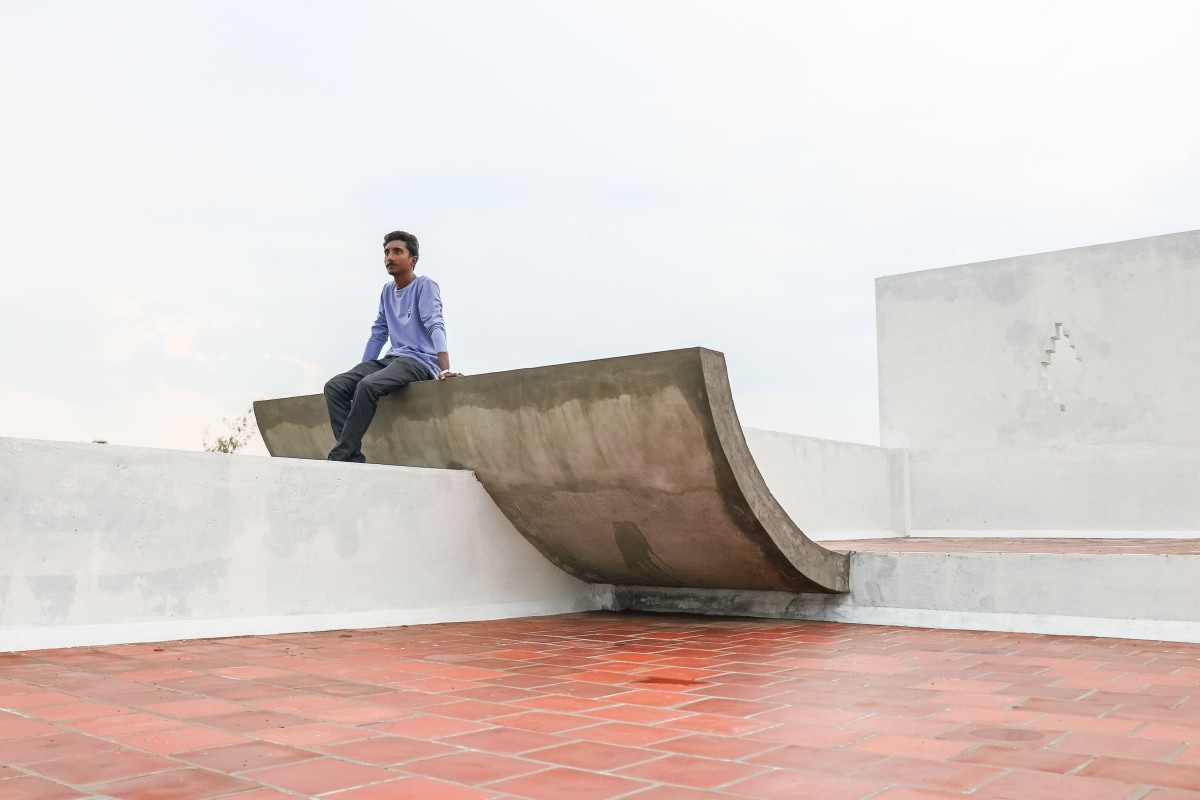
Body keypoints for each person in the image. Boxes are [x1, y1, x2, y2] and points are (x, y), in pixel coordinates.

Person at [323, 230, 461, 462]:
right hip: (392, 359)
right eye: (387, 252)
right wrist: (362, 367)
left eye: (398, 251)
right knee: (335, 387)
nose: (390, 257)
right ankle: (351, 456)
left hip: (419, 362)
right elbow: (378, 333)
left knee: (368, 386)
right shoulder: (387, 291)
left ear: (413, 259)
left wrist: (444, 368)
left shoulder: (425, 286)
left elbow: (435, 323)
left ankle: (339, 458)